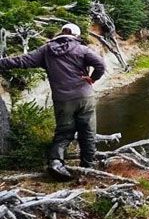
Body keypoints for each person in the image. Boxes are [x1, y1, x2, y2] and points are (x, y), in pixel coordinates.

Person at [0, 23, 105, 179]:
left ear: (61, 33)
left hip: (62, 100)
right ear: (76, 35)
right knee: (88, 132)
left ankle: (56, 163)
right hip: (85, 96)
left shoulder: (46, 50)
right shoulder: (82, 49)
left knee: (63, 133)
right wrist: (92, 79)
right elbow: (100, 65)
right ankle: (87, 168)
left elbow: (22, 61)